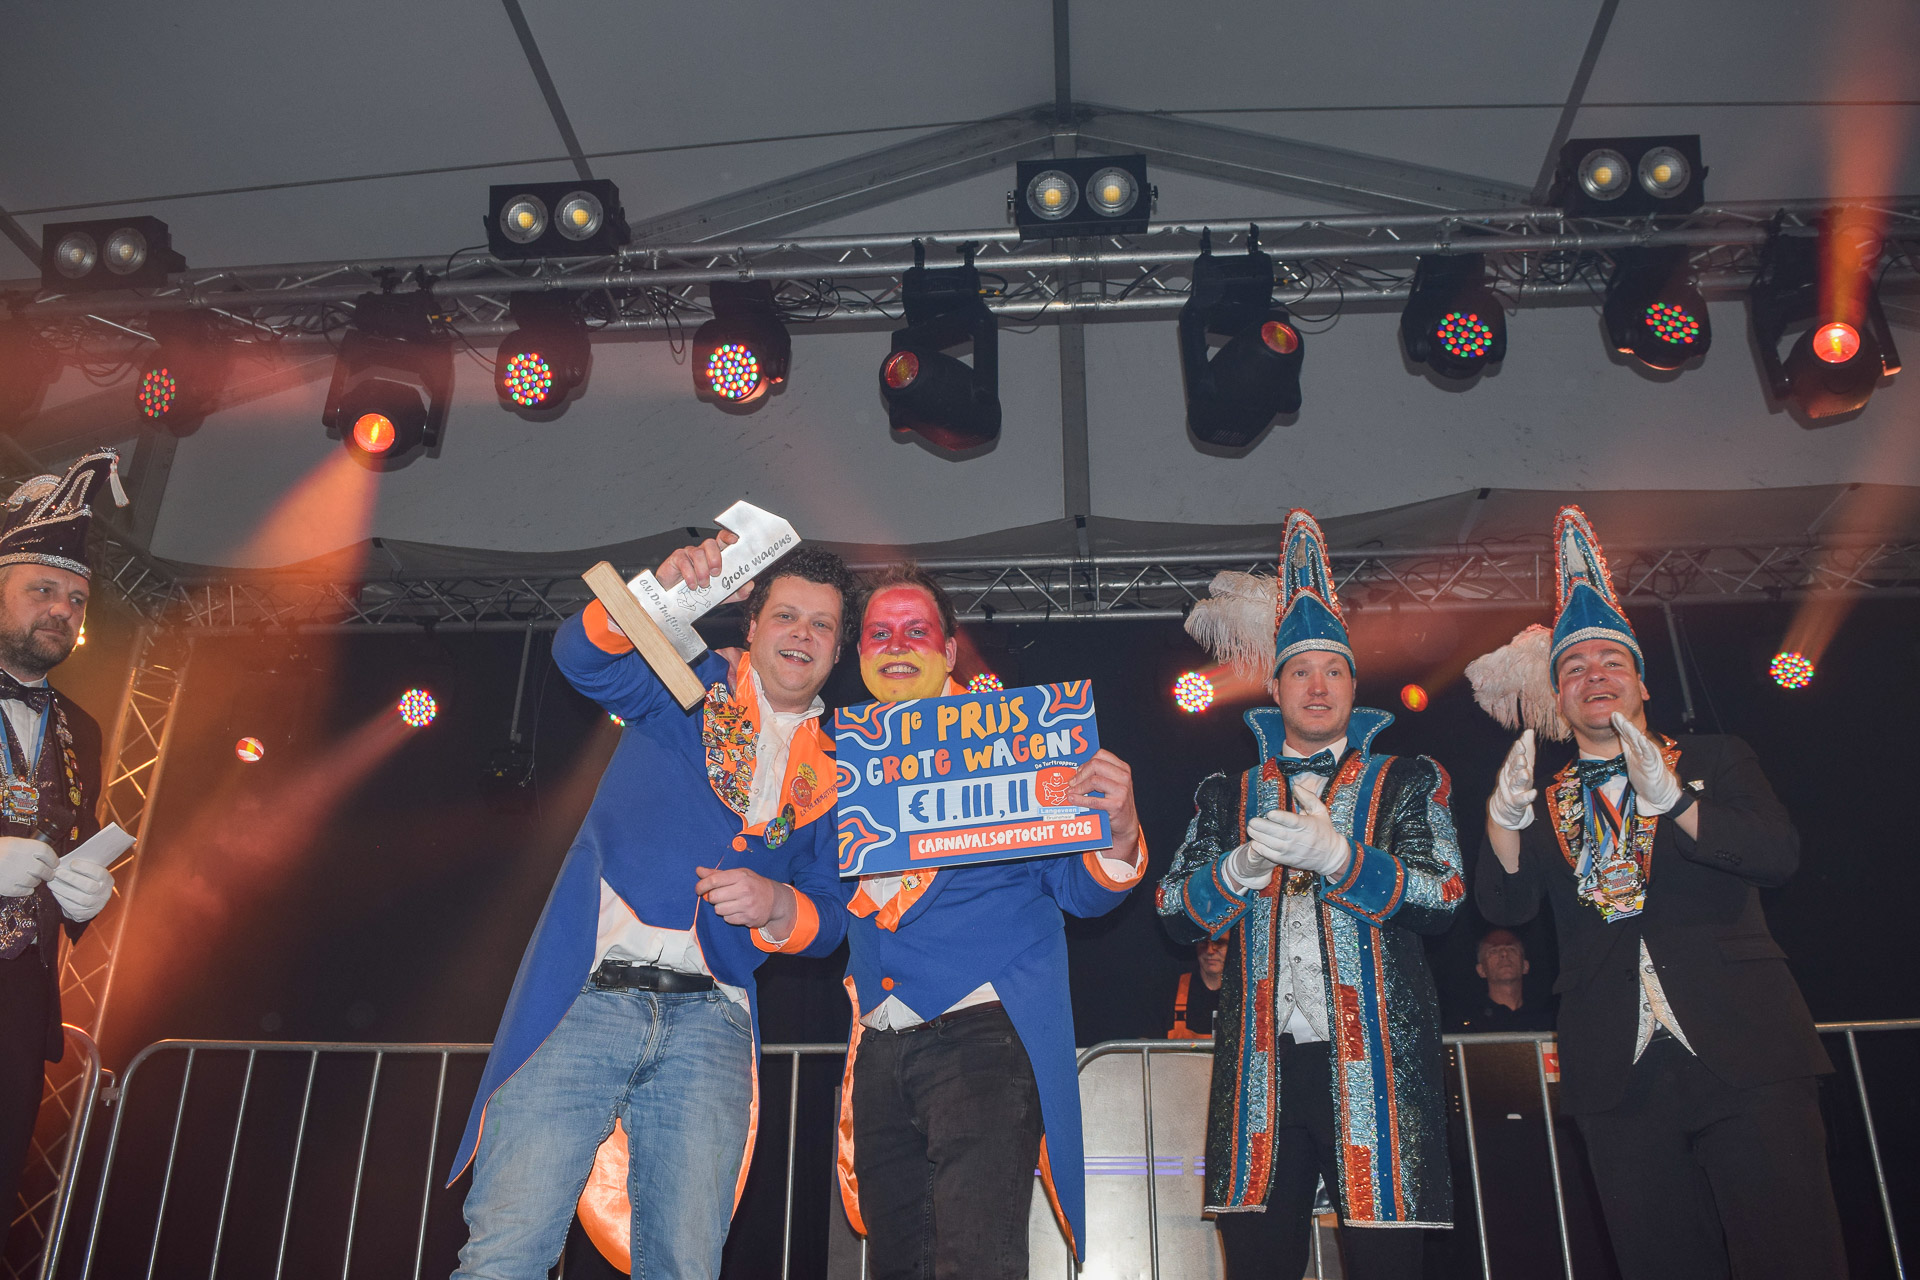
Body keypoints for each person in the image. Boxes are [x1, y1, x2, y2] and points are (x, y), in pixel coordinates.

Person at [448, 536, 855, 1280]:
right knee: (507, 1253)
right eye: (786, 615)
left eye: (822, 624)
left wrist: (777, 902)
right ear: (752, 625)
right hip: (585, 1000)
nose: (803, 633)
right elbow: (582, 658)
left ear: (837, 651)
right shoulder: (689, 682)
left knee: (684, 1268)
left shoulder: (840, 770)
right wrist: (662, 594)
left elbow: (831, 918)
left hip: (714, 1026)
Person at [1466, 505, 1845, 1280]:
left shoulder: (1715, 758)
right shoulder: (1547, 798)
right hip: (1615, 1066)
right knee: (1658, 1260)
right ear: (1559, 699)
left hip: (1744, 1043)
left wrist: (1676, 802)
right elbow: (1506, 911)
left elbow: (1776, 855)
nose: (1594, 676)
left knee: (1793, 1252)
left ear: (1641, 680)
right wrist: (1502, 825)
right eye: (1574, 669)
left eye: (1611, 661)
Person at [1157, 509, 1461, 1280]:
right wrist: (1236, 871)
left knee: (1388, 1265)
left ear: (1354, 686)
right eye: (1301, 671)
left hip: (1379, 1068)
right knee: (1258, 1265)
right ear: (1275, 686)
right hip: (1260, 1071)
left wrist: (1341, 858)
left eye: (1333, 671)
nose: (1318, 686)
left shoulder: (1407, 781)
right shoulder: (1228, 793)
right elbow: (1171, 909)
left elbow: (1445, 896)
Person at [833, 563, 1145, 1280]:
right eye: (879, 633)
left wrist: (1122, 829)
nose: (896, 644)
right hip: (878, 1045)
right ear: (861, 654)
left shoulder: (1020, 741)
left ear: (948, 651)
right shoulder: (838, 760)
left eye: (916, 630)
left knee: (976, 1264)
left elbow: (1081, 892)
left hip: (982, 1034)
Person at [0, 451, 119, 1227]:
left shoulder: (83, 727)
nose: (62, 611)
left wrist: (89, 893)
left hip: (17, 999)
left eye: (75, 599)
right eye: (42, 590)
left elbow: (78, 839)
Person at [1454, 928, 1553, 1034]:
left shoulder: (1549, 1020)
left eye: (1511, 949)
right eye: (1493, 951)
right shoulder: (1471, 1024)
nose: (1504, 954)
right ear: (1481, 970)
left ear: (1525, 966)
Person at [1168, 937, 1226, 1040]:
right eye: (1204, 943)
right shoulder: (1169, 992)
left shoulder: (1248, 996)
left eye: (1219, 943)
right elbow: (1146, 1043)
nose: (1210, 951)